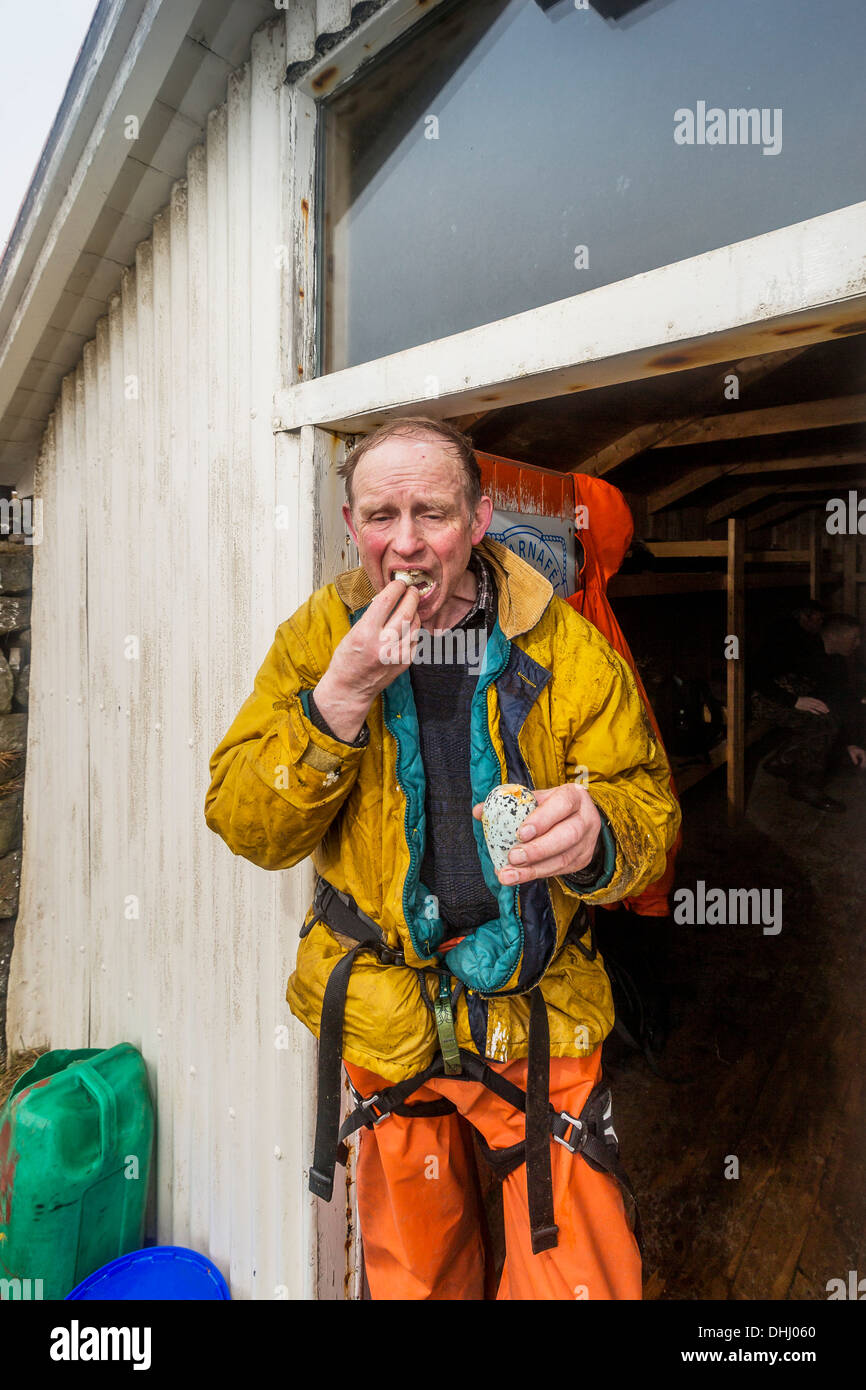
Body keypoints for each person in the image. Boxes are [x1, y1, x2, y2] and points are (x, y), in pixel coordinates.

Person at [204, 417, 681, 1300]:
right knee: (417, 1280)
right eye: (383, 515)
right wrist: (339, 697)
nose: (409, 542)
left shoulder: (564, 644)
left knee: (581, 1282)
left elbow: (648, 806)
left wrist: (599, 830)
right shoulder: (316, 640)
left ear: (480, 519)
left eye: (434, 512)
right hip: (385, 1018)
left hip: (537, 1015)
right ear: (352, 526)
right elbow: (247, 822)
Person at [751, 606, 866, 811]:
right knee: (823, 721)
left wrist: (852, 743)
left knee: (830, 713)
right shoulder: (799, 649)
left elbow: (842, 699)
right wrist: (793, 701)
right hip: (764, 698)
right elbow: (756, 676)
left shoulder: (836, 661)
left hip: (790, 698)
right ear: (835, 635)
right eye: (855, 637)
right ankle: (804, 786)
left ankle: (782, 761)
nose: (859, 644)